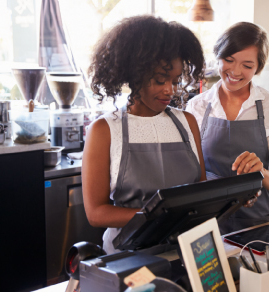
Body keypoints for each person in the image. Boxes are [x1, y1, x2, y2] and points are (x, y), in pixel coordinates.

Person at [82, 16, 207, 254]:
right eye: (160, 80)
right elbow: (96, 213)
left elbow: (199, 192)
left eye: (175, 80)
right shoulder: (105, 130)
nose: (170, 90)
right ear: (135, 75)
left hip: (185, 251)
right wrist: (158, 217)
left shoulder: (187, 122)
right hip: (127, 256)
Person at [186, 22, 269, 234]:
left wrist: (261, 173)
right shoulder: (196, 106)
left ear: (258, 68)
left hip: (259, 223)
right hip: (208, 223)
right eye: (229, 60)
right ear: (218, 56)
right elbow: (189, 175)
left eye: (247, 65)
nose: (235, 71)